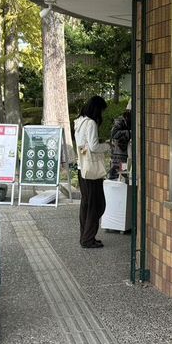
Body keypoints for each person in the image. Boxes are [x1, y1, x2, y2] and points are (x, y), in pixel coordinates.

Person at [74, 95, 110, 248]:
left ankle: (85, 237)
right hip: (92, 172)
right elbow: (94, 147)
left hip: (83, 169)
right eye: (101, 110)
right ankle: (88, 239)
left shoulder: (79, 121)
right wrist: (108, 146)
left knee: (86, 205)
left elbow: (84, 146)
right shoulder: (91, 123)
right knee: (97, 205)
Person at [108, 101, 132, 180]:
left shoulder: (131, 120)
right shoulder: (120, 121)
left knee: (124, 175)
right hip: (118, 156)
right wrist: (130, 133)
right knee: (117, 176)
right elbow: (114, 134)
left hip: (126, 156)